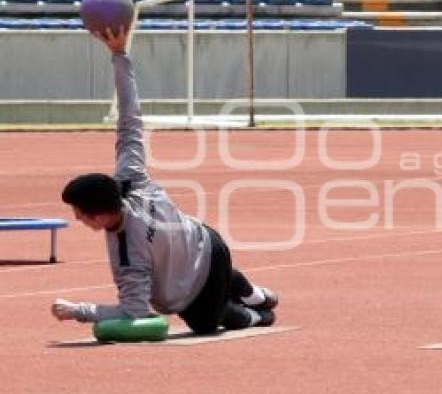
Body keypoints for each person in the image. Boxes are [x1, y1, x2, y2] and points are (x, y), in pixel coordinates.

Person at [51, 27, 279, 334]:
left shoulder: (126, 251)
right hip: (212, 245)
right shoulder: (132, 179)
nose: (78, 219)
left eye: (81, 213)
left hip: (194, 288)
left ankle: (259, 312)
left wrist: (79, 311)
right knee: (223, 280)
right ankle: (259, 294)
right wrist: (119, 55)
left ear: (102, 214)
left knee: (207, 322)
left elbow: (133, 310)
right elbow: (130, 119)